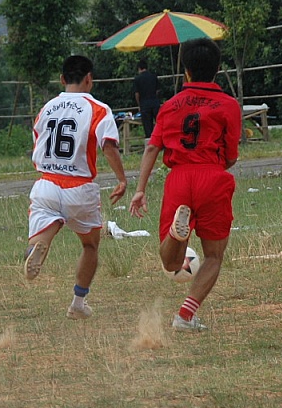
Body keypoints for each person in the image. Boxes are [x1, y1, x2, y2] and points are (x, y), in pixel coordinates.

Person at [129, 38, 242, 332]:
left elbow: (152, 148)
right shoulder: (229, 105)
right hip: (212, 176)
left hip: (179, 177)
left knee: (170, 264)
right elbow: (231, 155)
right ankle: (185, 316)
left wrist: (140, 190)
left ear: (186, 71)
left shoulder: (170, 106)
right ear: (217, 69)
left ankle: (175, 235)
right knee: (214, 255)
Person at [25, 54, 128, 320]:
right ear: (89, 79)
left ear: (62, 79)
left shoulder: (47, 108)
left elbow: (38, 141)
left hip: (46, 184)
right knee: (90, 245)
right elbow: (108, 145)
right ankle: (78, 303)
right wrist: (122, 179)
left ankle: (38, 245)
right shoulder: (98, 109)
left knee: (45, 226)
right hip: (80, 188)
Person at [133, 60, 162, 137]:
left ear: (139, 68)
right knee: (159, 124)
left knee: (147, 127)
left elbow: (137, 94)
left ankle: (150, 141)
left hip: (144, 104)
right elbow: (158, 90)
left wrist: (139, 104)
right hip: (155, 102)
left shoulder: (137, 79)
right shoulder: (153, 76)